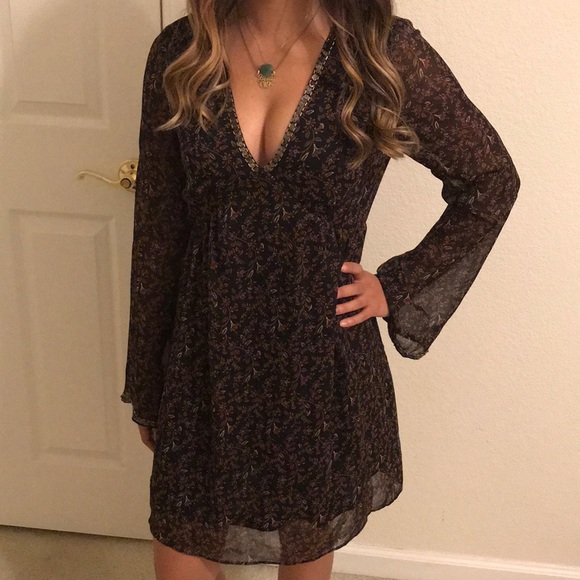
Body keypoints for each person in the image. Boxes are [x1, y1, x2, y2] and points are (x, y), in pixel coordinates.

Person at [121, 1, 520, 578]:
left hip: (318, 360)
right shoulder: (183, 52)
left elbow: (491, 178)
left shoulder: (380, 52)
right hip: (205, 353)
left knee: (305, 545)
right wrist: (148, 378)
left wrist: (396, 287)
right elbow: (160, 229)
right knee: (183, 541)